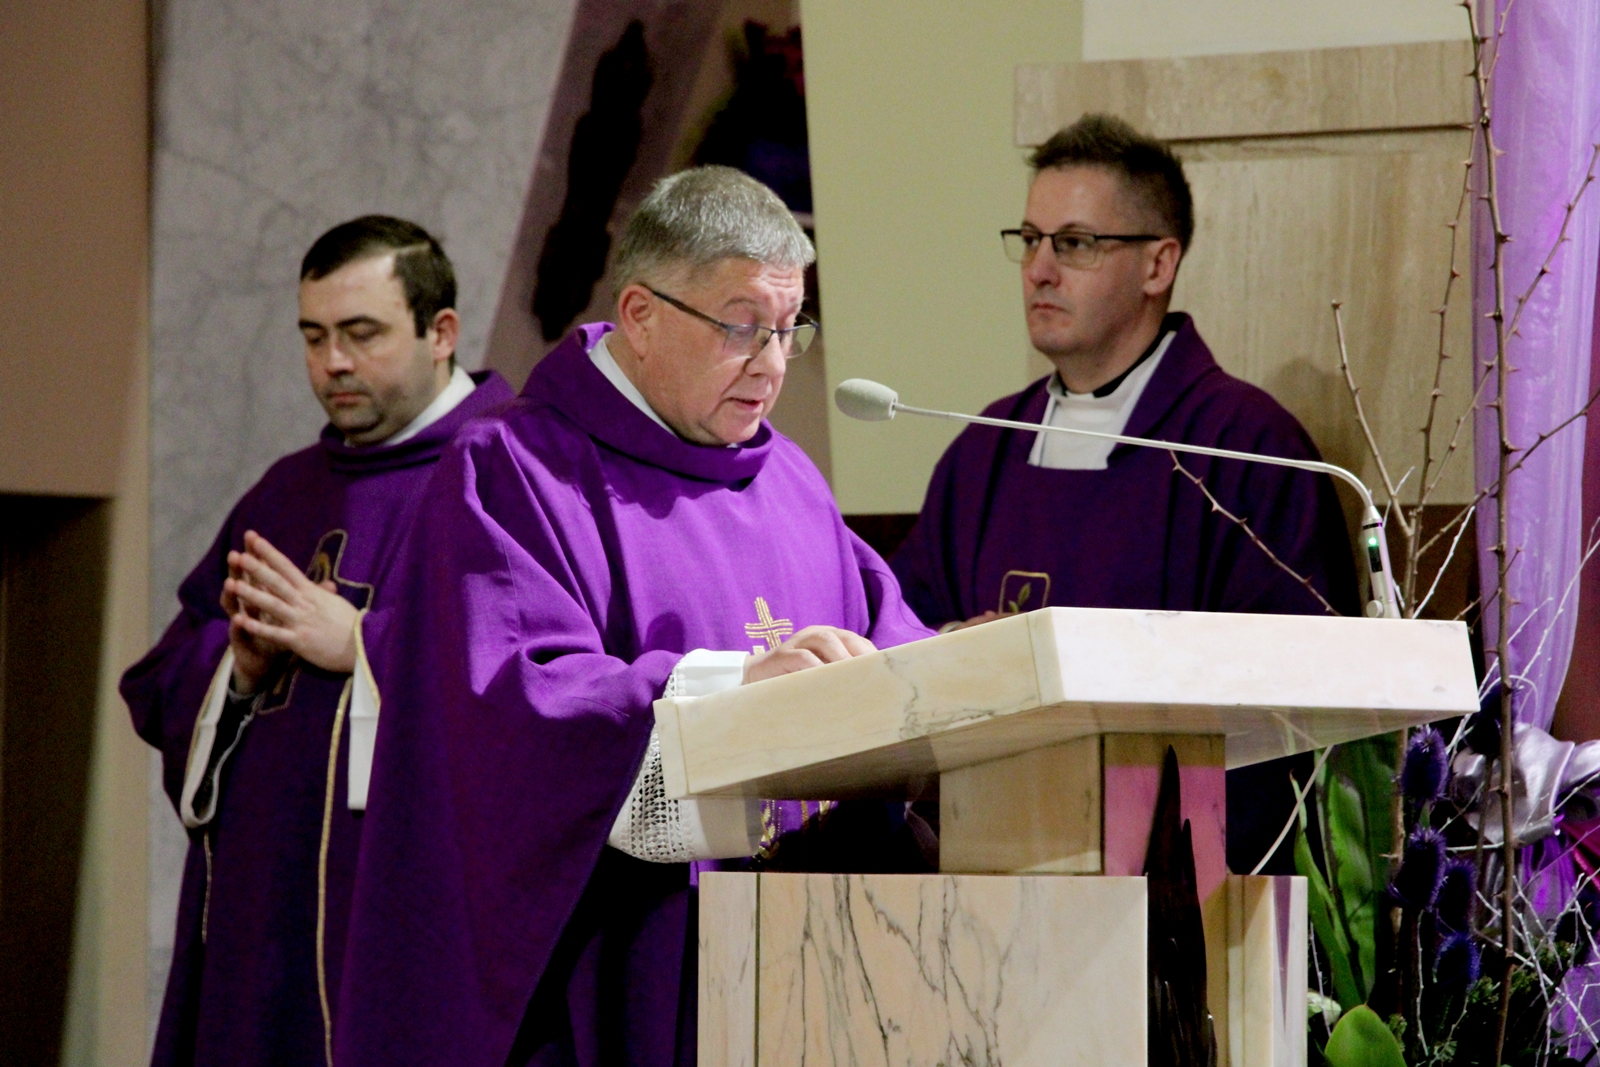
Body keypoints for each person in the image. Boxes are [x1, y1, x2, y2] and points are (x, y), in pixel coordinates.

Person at [333, 166, 933, 1067]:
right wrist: (739, 695)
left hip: (815, 977)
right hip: (622, 977)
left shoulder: (792, 483)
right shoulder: (511, 472)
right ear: (641, 315)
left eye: (789, 328)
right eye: (742, 325)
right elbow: (520, 713)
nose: (773, 362)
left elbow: (894, 644)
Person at [891, 114, 1359, 873]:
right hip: (987, 867)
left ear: (1157, 264)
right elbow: (899, 637)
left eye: (1075, 243)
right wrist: (957, 647)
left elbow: (1296, 708)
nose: (1040, 269)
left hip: (1183, 887)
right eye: (1030, 239)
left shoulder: (1246, 450)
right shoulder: (982, 452)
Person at [121, 216, 514, 1067]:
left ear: (441, 332)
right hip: (261, 912)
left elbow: (539, 686)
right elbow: (162, 677)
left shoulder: (509, 474)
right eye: (313, 336)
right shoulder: (288, 491)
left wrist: (367, 642)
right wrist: (236, 669)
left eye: (361, 334)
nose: (332, 362)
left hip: (407, 917)